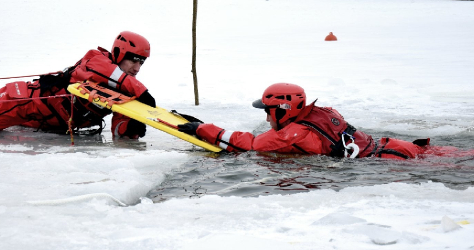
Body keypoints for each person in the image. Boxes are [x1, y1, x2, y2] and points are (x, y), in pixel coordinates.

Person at [0, 31, 156, 139]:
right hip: (30, 103)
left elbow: (120, 130)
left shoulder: (126, 89)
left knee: (12, 118)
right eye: (133, 59)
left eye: (142, 62)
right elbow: (107, 73)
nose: (137, 67)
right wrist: (143, 93)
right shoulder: (96, 60)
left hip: (51, 123)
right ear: (119, 52)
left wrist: (131, 129)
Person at [178, 82, 434, 160]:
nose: (267, 117)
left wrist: (202, 128)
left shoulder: (295, 132)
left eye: (268, 111)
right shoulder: (321, 112)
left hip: (392, 159)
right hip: (397, 147)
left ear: (283, 110)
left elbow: (250, 144)